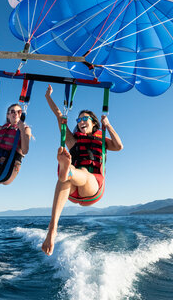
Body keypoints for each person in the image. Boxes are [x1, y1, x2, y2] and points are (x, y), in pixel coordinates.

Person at [42, 85, 123, 255]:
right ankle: (53, 228)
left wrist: (108, 126)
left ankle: (66, 169)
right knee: (66, 177)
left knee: (78, 173)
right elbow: (59, 116)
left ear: (94, 122)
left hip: (93, 187)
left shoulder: (102, 141)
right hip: (71, 190)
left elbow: (119, 146)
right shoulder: (73, 141)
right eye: (78, 120)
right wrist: (48, 97)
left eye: (84, 119)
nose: (80, 122)